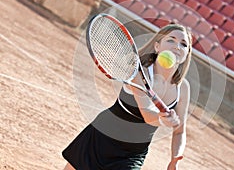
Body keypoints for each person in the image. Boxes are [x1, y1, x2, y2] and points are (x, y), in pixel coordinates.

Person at [62, 23, 193, 170]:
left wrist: (175, 158)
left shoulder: (183, 88)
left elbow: (180, 130)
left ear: (187, 54)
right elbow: (147, 114)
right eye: (171, 40)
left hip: (132, 154)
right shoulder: (138, 72)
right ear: (157, 47)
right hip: (103, 136)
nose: (177, 46)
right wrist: (162, 120)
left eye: (183, 44)